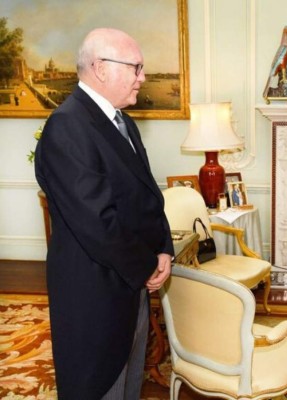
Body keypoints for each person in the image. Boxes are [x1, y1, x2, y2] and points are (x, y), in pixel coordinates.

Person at [34, 28, 174, 400]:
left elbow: (147, 196)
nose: (142, 77)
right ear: (100, 68)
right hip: (95, 293)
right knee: (100, 386)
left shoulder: (121, 120)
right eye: (136, 67)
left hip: (131, 283)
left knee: (129, 385)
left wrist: (163, 249)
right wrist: (147, 264)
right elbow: (98, 223)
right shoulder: (68, 126)